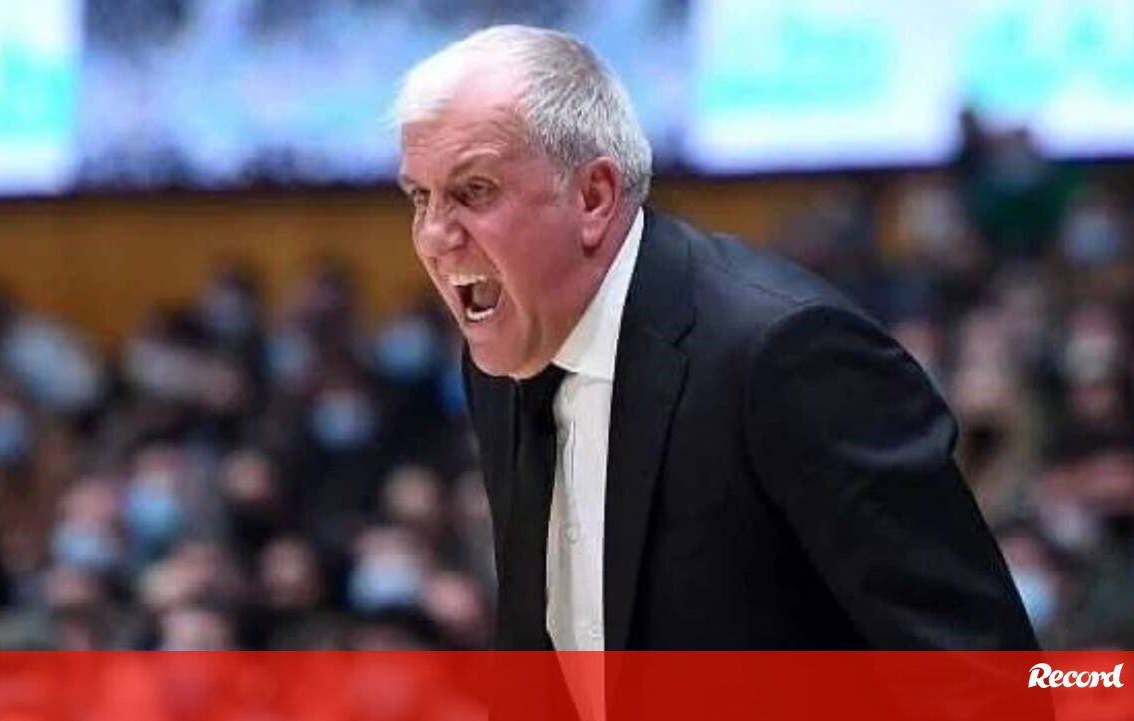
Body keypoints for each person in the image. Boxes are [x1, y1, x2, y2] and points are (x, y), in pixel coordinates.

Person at [391, 25, 1039, 658]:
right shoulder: (506, 349)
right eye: (420, 197)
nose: (434, 236)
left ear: (593, 197)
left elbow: (980, 675)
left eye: (474, 191)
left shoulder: (788, 354)